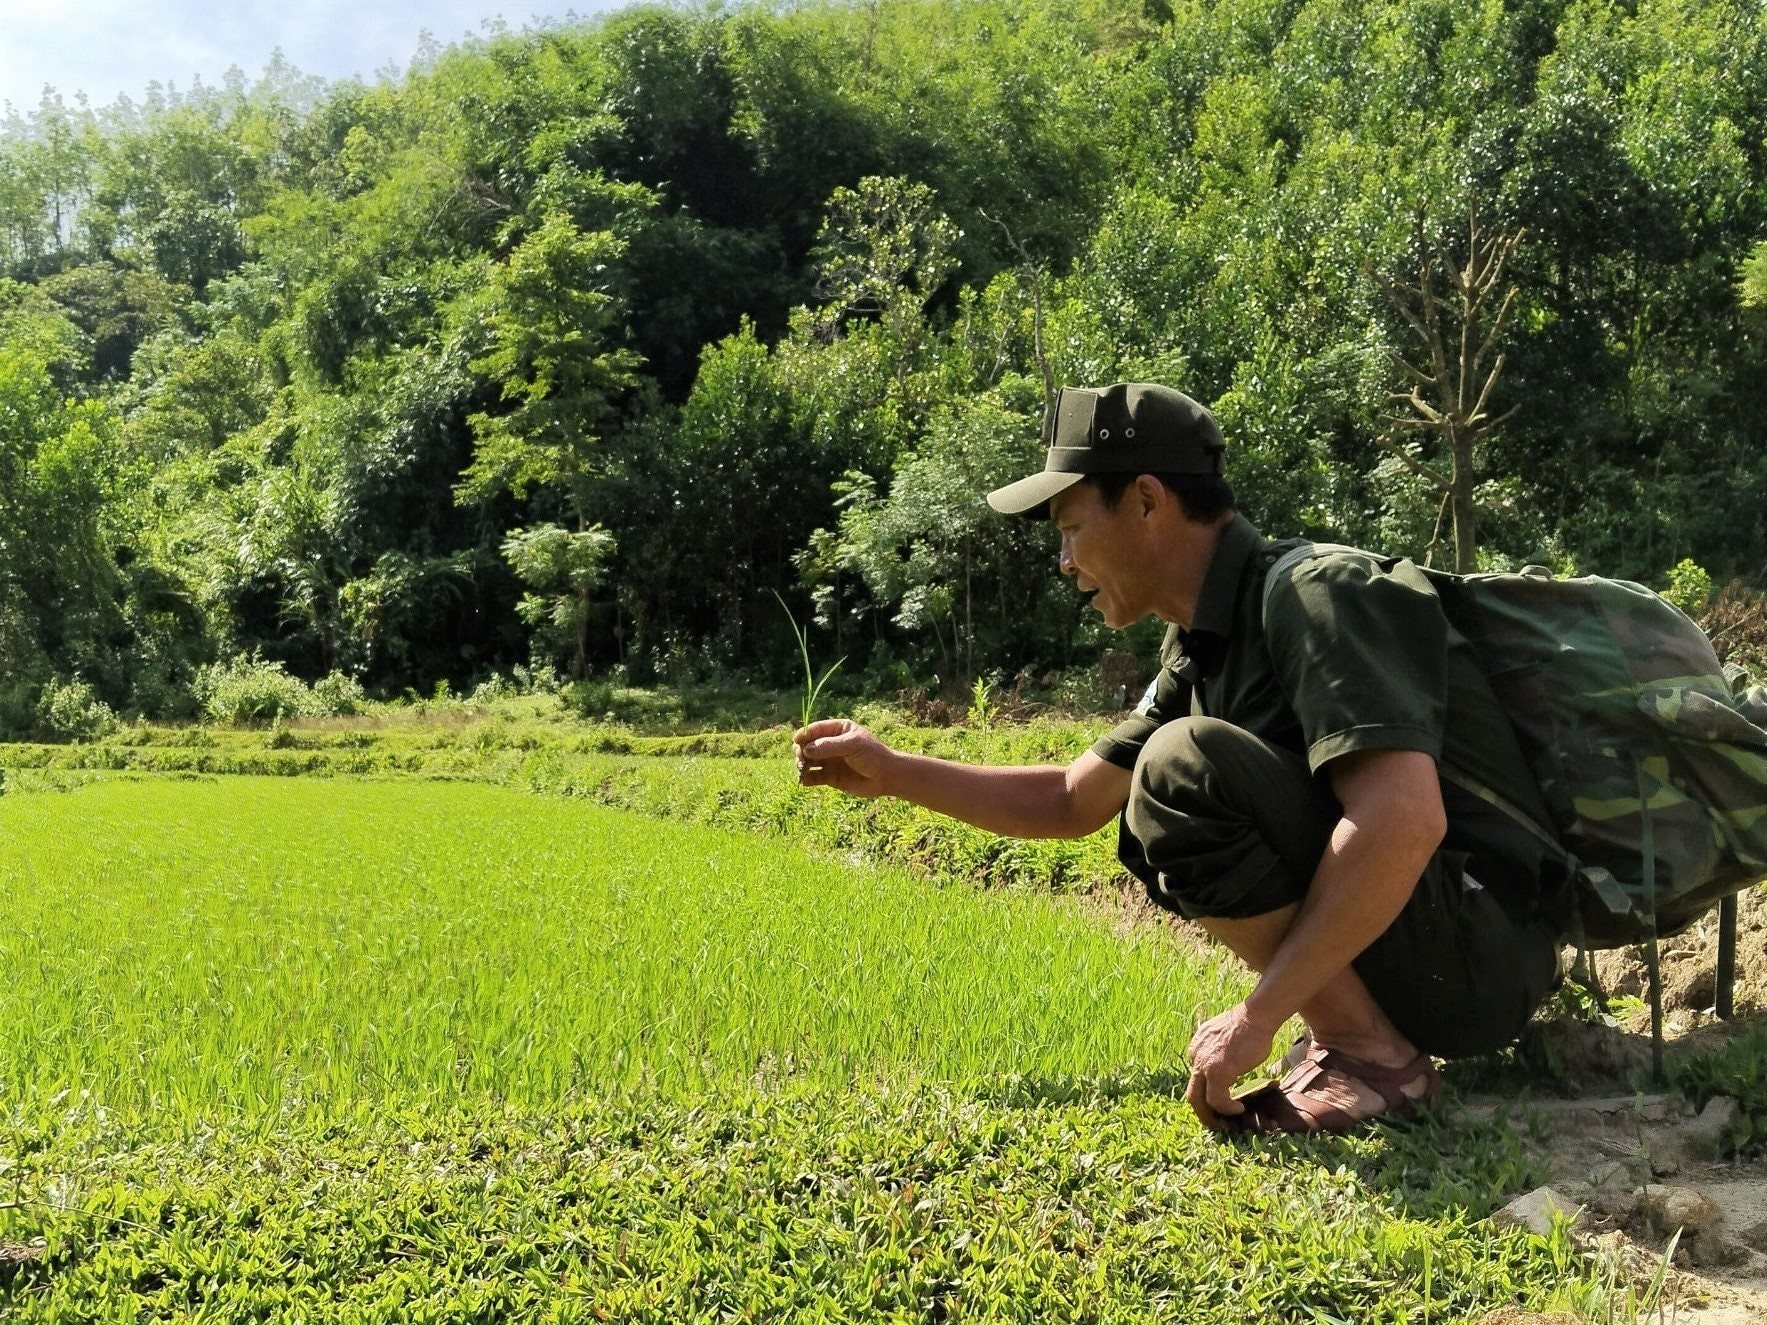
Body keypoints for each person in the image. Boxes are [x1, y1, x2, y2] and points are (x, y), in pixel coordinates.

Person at [793, 382, 1565, 1134]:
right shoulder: (1200, 644)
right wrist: (893, 771)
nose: (1063, 560)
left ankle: (1371, 1056)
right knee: (1159, 788)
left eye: (1069, 528)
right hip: (1423, 949)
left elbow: (1401, 816)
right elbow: (1071, 800)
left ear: (1147, 501)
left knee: (1177, 770)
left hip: (1478, 955)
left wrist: (1255, 1017)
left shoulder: (1314, 593)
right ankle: (1357, 1033)